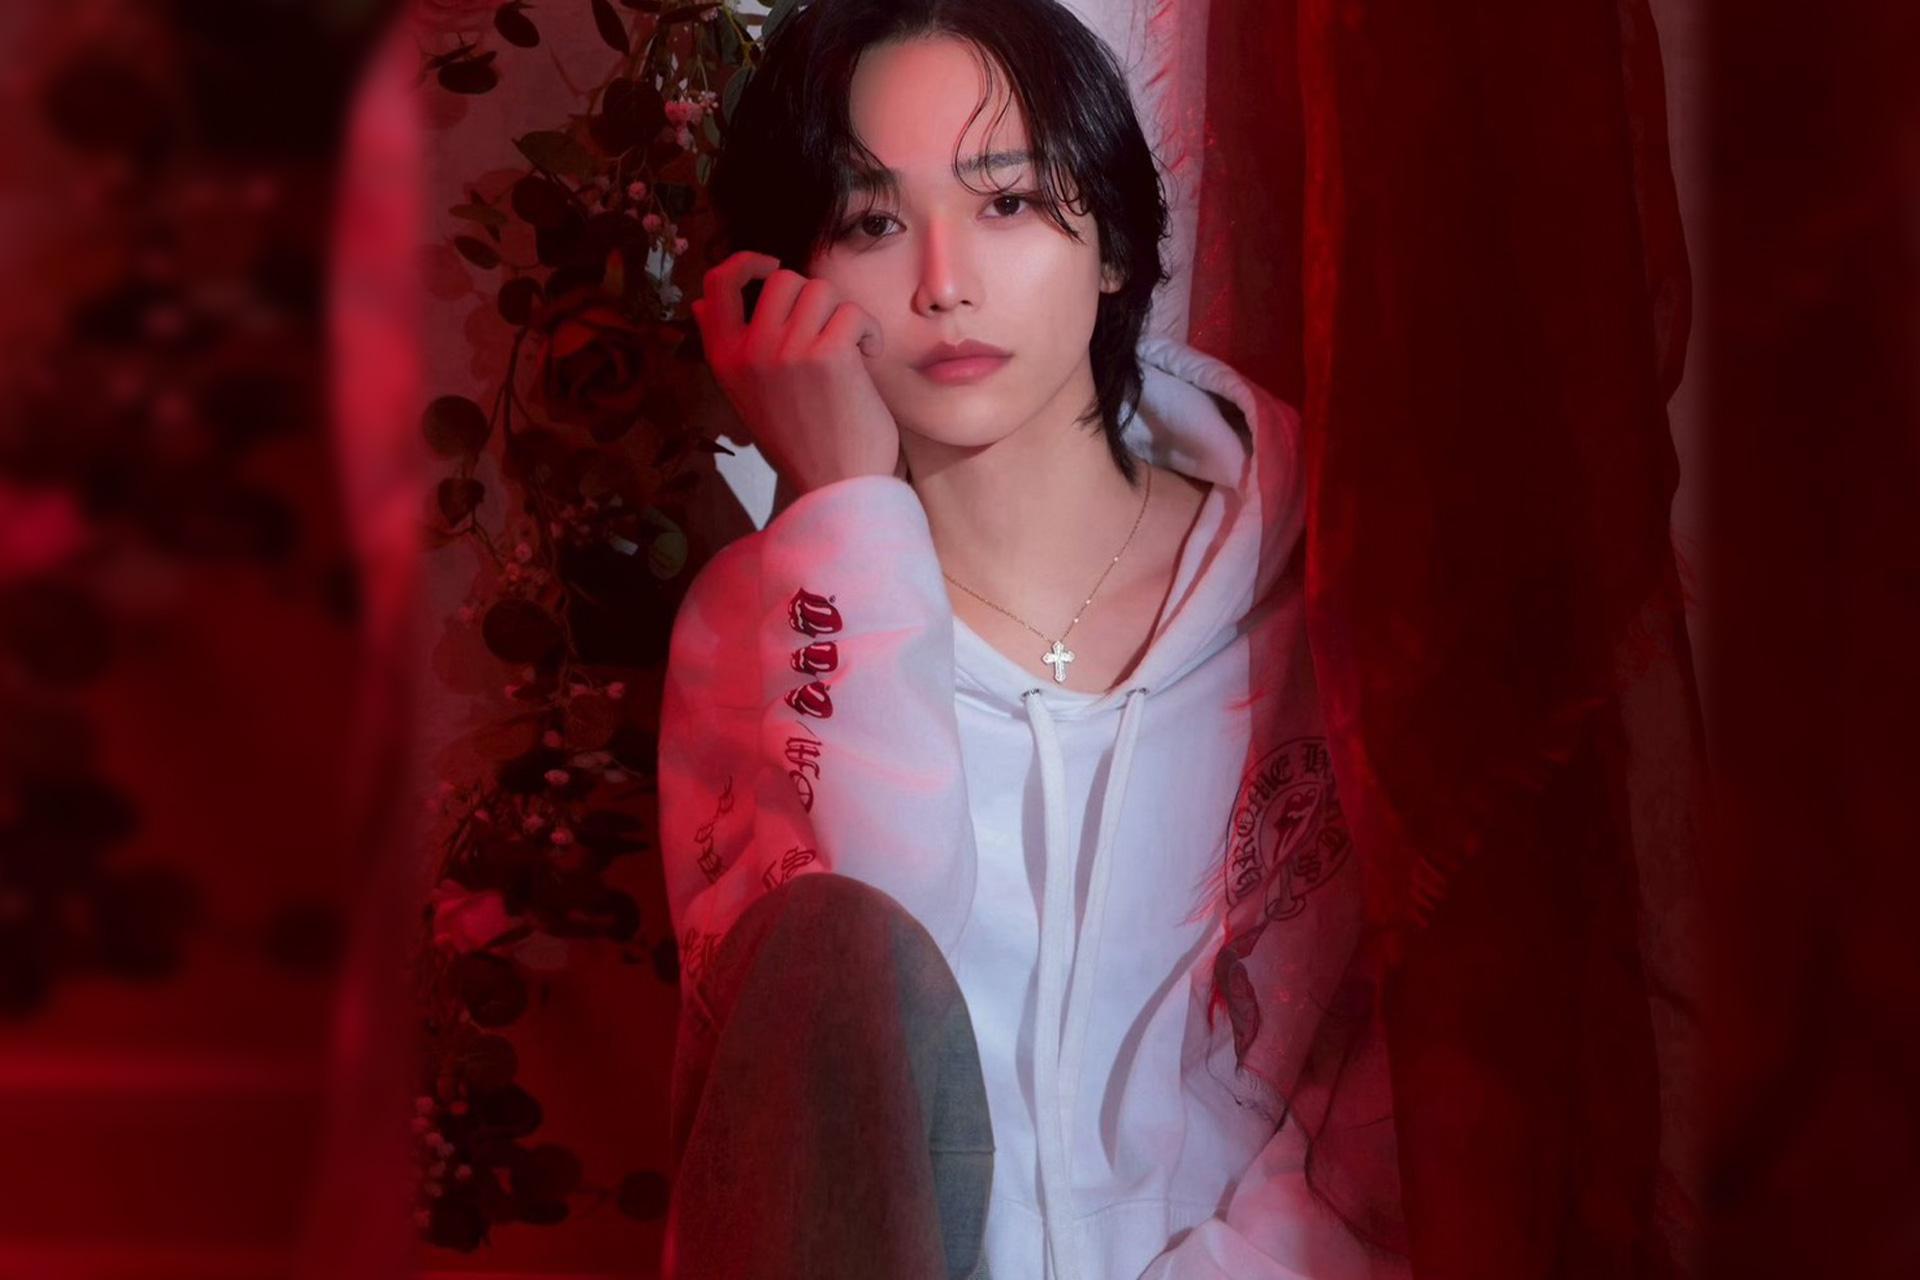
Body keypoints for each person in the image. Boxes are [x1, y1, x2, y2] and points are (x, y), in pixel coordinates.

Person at [657, 1, 1407, 1276]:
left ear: (1111, 242)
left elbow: (1390, 1089)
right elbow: (854, 1058)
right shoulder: (761, 622)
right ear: (791, 287)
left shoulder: (1316, 592)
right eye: (872, 222)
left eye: (1006, 202)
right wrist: (849, 515)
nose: (944, 282)